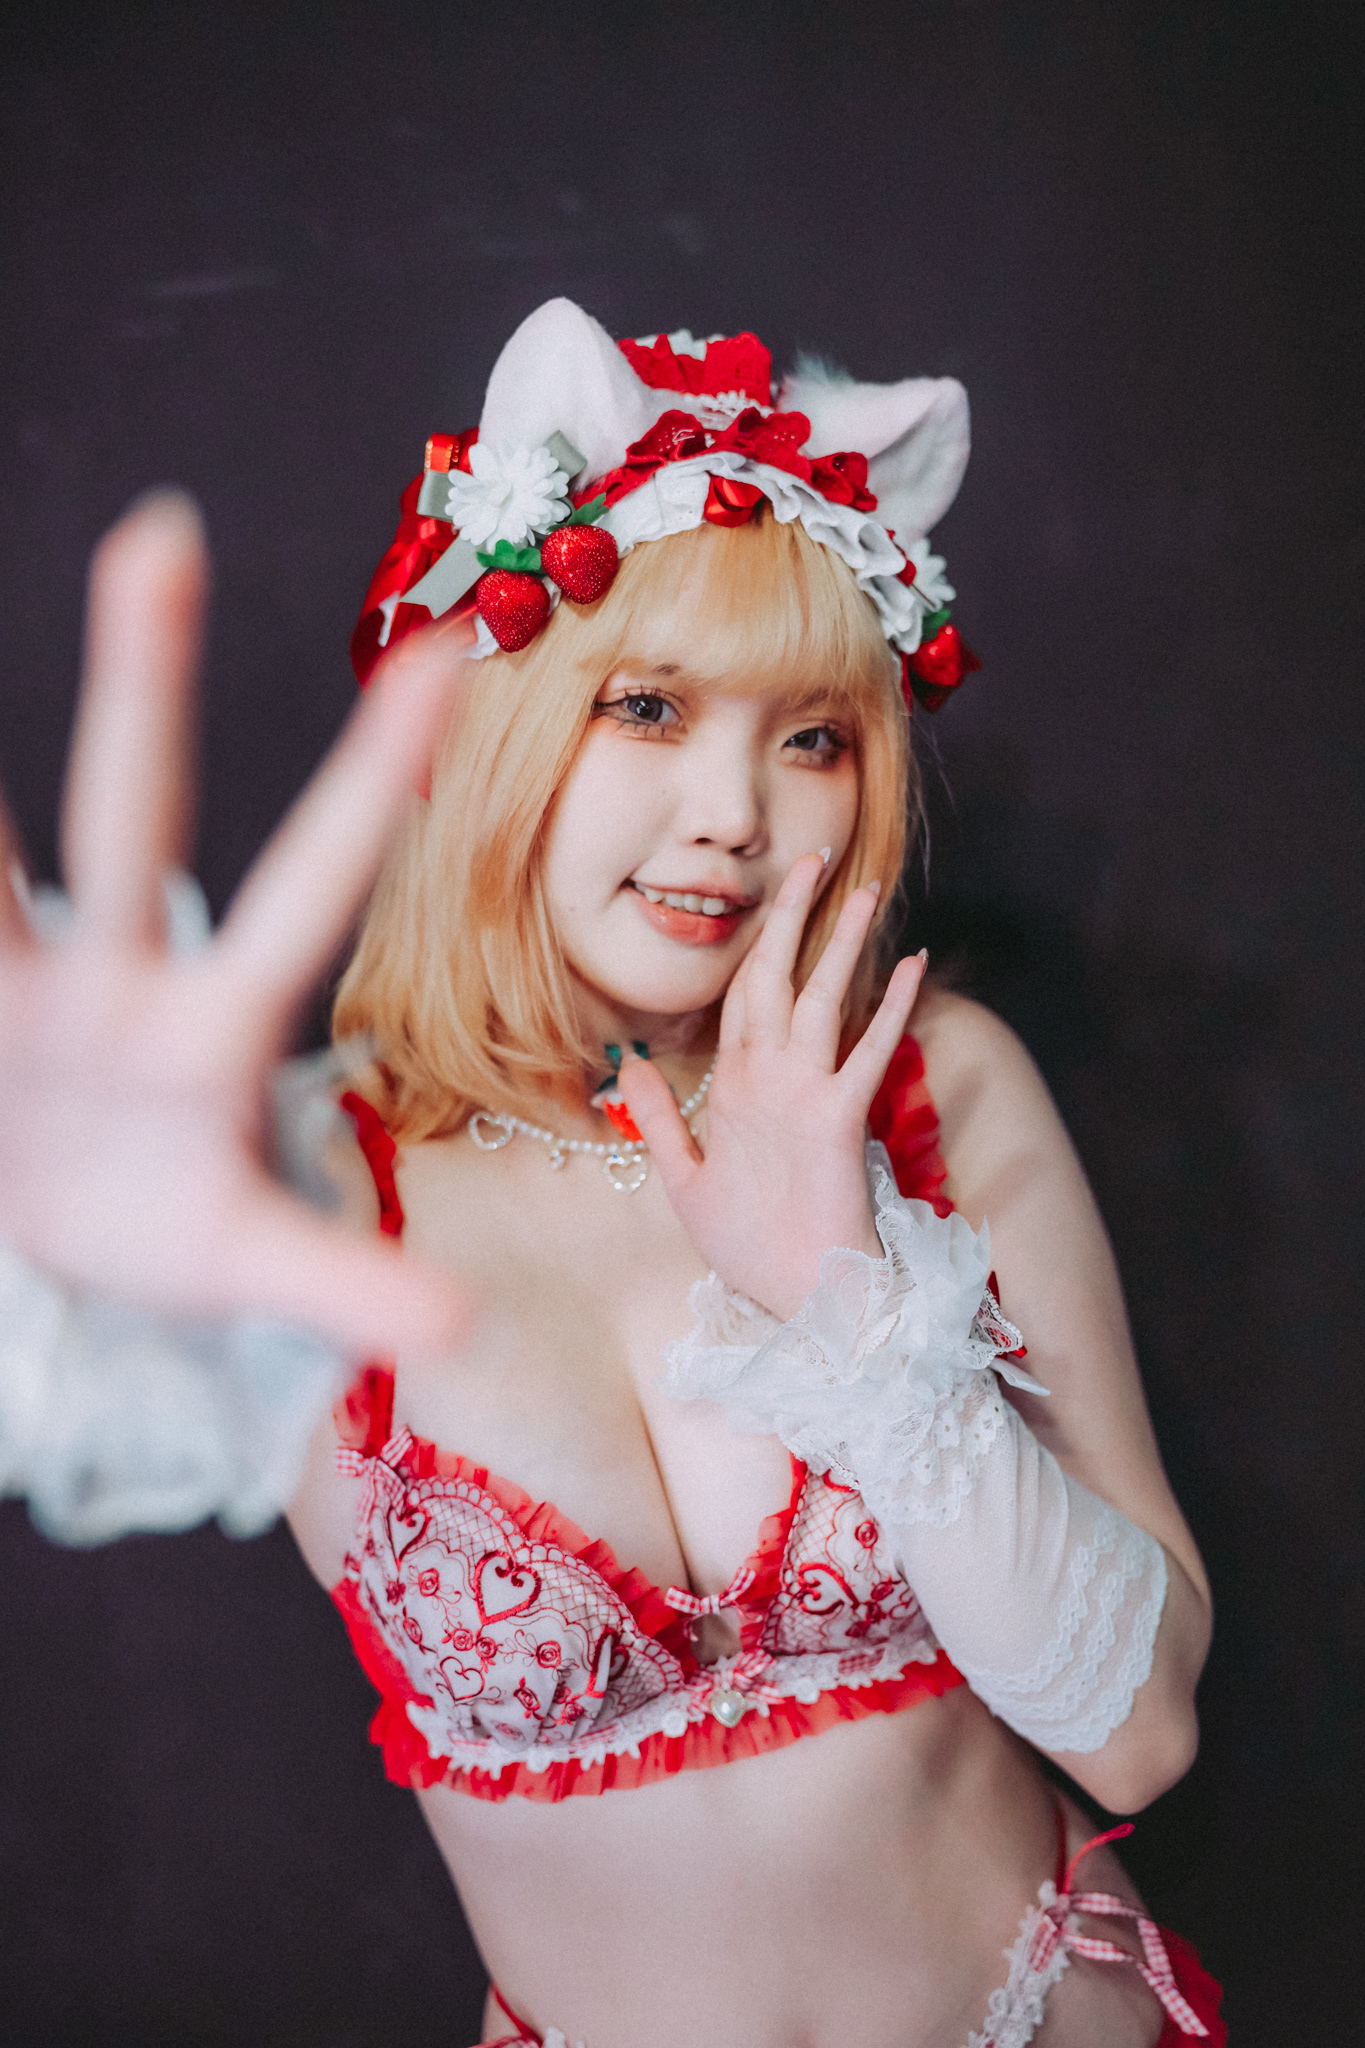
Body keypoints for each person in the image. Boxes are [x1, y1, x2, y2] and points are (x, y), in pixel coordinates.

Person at [0, 300, 1223, 2046]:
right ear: (493, 719)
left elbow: (1139, 1735)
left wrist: (856, 1309)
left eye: (812, 737)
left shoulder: (930, 1083)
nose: (735, 811)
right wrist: (46, 1261)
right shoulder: (301, 1187)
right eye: (646, 707)